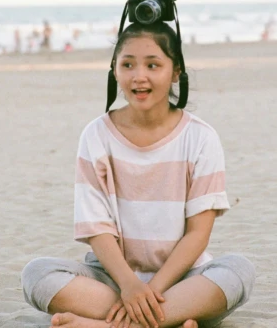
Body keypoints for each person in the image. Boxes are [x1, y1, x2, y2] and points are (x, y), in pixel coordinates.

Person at [22, 19, 255, 328]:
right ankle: (165, 321)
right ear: (114, 71)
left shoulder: (201, 137)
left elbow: (198, 233)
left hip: (181, 279)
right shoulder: (96, 136)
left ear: (176, 72)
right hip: (112, 279)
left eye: (153, 65)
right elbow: (97, 229)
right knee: (37, 275)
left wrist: (151, 291)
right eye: (128, 64)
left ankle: (109, 326)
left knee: (239, 271)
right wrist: (130, 287)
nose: (139, 76)